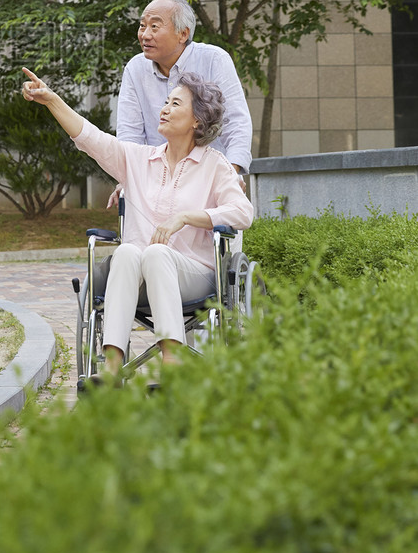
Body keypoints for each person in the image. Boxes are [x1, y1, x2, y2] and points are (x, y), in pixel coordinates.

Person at [22, 66, 253, 375]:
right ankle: (113, 367)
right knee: (129, 251)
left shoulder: (215, 165)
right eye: (165, 102)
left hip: (193, 276)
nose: (164, 109)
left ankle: (172, 360)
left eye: (175, 104)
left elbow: (242, 213)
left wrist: (186, 218)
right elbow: (89, 137)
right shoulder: (138, 160)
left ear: (197, 119)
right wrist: (52, 101)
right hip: (136, 279)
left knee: (156, 253)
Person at [117, 0, 252, 177]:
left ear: (183, 34)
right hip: (154, 180)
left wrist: (231, 174)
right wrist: (128, 179)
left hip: (208, 177)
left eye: (154, 26)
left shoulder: (214, 60)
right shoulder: (135, 68)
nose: (145, 35)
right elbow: (129, 134)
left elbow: (236, 123)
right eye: (142, 26)